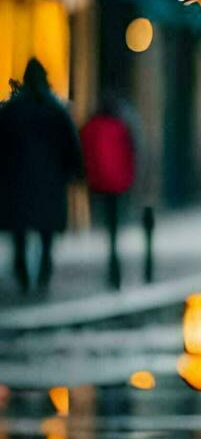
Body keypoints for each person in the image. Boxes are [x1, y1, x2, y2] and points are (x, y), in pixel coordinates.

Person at [0, 59, 83, 294]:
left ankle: (23, 272)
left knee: (20, 230)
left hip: (18, 180)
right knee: (46, 230)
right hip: (50, 180)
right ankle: (43, 269)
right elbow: (71, 145)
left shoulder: (13, 109)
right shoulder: (55, 109)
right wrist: (75, 171)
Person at [80, 94, 138, 289]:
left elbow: (83, 151)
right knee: (114, 220)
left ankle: (111, 249)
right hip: (119, 182)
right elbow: (132, 151)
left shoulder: (91, 126)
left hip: (98, 182)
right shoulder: (121, 127)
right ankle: (113, 250)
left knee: (106, 218)